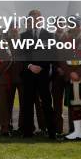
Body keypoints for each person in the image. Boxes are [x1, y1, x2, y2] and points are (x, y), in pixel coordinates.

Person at [20, 9, 57, 139]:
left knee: (47, 103)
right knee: (27, 104)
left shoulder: (49, 35)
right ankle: (27, 132)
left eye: (37, 18)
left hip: (44, 75)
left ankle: (52, 132)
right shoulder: (23, 36)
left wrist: (41, 66)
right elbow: (20, 55)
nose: (35, 21)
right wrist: (30, 66)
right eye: (32, 18)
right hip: (28, 75)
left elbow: (52, 55)